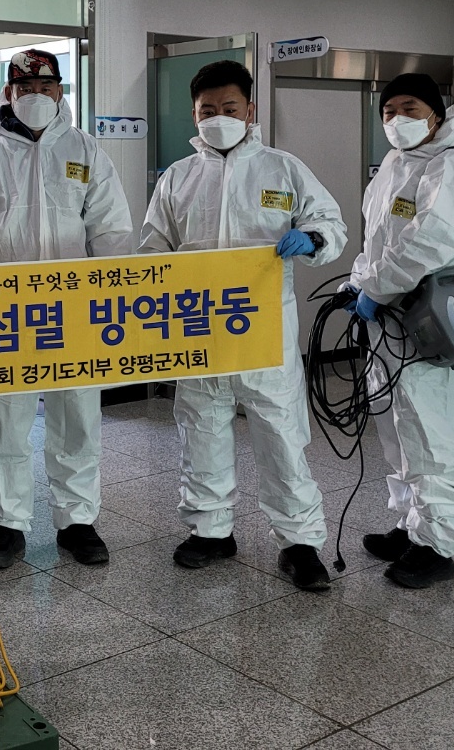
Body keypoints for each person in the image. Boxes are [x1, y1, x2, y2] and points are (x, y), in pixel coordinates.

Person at [139, 60, 346, 591]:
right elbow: (153, 246)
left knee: (280, 435)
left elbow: (329, 222)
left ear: (250, 110)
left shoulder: (282, 169)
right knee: (201, 429)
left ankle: (300, 543)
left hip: (264, 332)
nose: (218, 117)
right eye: (207, 110)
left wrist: (312, 238)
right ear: (194, 115)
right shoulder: (177, 178)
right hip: (198, 328)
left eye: (229, 107)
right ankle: (210, 531)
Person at [0, 48, 133, 570]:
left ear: (60, 91)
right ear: (8, 92)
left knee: (78, 417)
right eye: (25, 88)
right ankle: (8, 524)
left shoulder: (84, 149)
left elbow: (111, 227)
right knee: (7, 419)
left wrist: (109, 291)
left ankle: (77, 520)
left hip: (74, 310)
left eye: (46, 87)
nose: (36, 96)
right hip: (7, 312)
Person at [347, 72, 454, 589]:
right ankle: (413, 524)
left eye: (409, 108)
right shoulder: (394, 164)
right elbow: (378, 239)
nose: (397, 119)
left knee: (436, 431)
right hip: (391, 320)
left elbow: (429, 243)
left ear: (436, 114)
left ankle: (439, 543)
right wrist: (358, 281)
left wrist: (375, 286)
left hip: (432, 320)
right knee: (398, 425)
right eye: (388, 111)